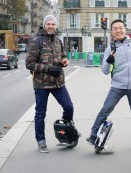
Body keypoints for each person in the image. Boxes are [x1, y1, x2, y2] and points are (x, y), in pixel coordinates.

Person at [86, 19, 131, 152]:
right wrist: (109, 61)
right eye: (115, 29)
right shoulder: (110, 48)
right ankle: (93, 136)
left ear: (125, 29)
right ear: (112, 32)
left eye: (120, 28)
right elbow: (104, 71)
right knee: (105, 110)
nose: (118, 30)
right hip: (117, 86)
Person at [26, 14, 75, 153]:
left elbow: (63, 56)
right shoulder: (37, 41)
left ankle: (65, 132)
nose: (51, 26)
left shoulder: (58, 41)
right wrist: (49, 69)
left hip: (58, 83)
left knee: (69, 107)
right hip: (42, 84)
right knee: (40, 113)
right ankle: (41, 141)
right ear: (44, 25)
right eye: (48, 24)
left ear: (56, 26)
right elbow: (30, 64)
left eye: (53, 24)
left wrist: (65, 61)